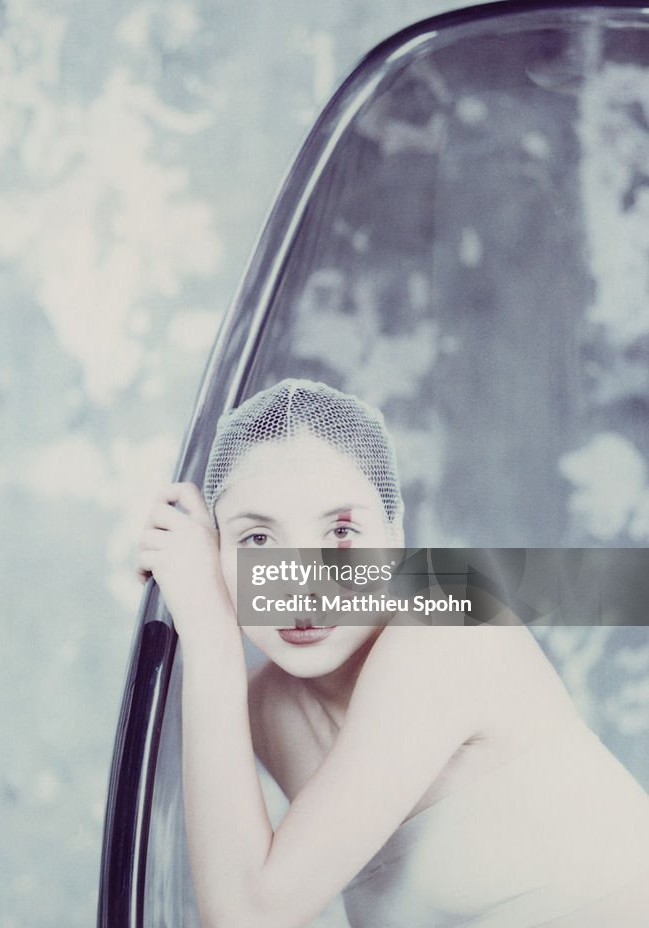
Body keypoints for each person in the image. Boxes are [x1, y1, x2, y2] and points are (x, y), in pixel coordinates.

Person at [138, 379, 649, 928]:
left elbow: (249, 915)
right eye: (258, 540)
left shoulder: (448, 622)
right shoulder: (268, 708)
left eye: (341, 529)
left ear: (395, 535)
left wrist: (212, 632)